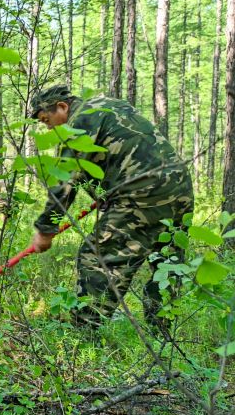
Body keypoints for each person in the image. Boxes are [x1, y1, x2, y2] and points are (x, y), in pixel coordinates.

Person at [27, 83, 193, 331]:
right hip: (180, 190)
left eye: (46, 119)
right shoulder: (108, 105)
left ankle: (84, 333)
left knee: (97, 257)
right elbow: (120, 152)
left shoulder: (78, 122)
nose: (48, 127)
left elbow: (64, 180)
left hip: (144, 195)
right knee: (166, 260)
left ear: (62, 107)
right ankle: (163, 336)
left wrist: (45, 230)